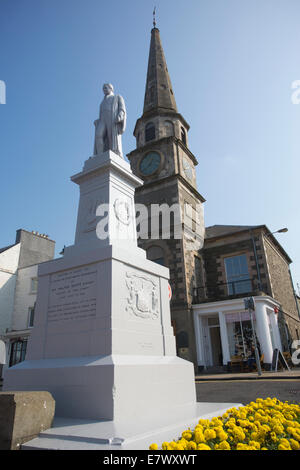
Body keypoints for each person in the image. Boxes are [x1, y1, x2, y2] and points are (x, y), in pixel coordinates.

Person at [94, 83, 127, 158]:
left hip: (112, 118)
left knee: (111, 136)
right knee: (98, 135)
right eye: (103, 88)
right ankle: (99, 155)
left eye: (106, 88)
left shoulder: (117, 97)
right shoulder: (102, 102)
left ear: (111, 88)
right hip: (102, 120)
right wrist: (97, 121)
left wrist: (120, 116)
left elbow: (122, 109)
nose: (104, 90)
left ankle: (114, 152)